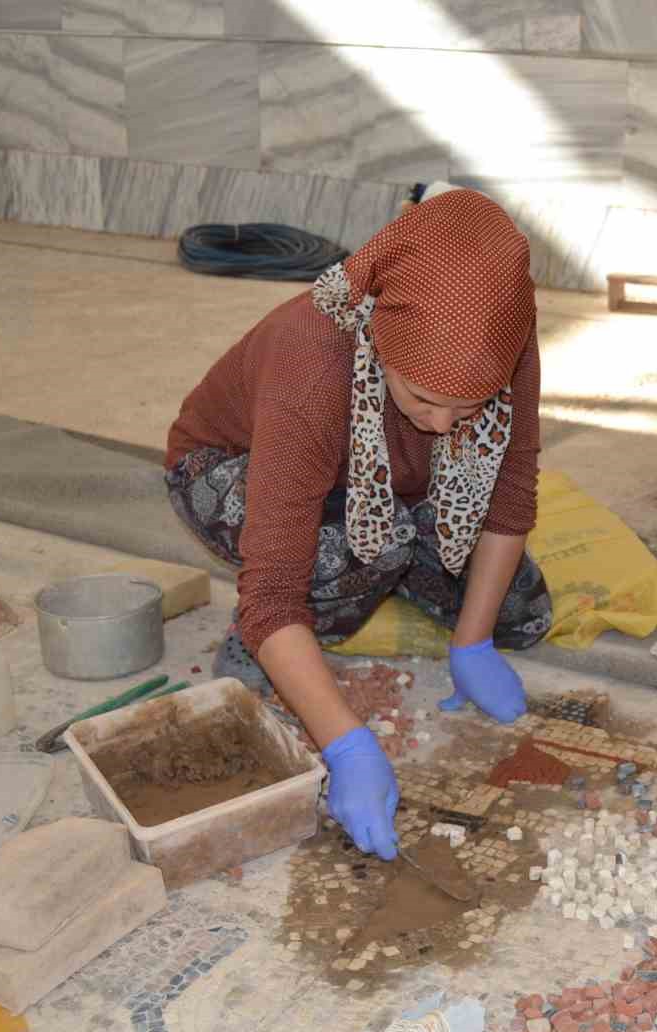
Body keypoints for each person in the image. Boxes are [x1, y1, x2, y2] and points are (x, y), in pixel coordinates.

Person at [166, 190, 554, 861]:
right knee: (359, 553)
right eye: (424, 398)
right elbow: (272, 593)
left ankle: (386, 575)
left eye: (470, 408)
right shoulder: (312, 358)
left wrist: (473, 642)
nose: (444, 425)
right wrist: (346, 744)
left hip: (389, 478)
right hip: (235, 468)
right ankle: (273, 644)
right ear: (382, 340)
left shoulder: (502, 333)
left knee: (522, 611)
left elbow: (510, 494)